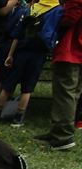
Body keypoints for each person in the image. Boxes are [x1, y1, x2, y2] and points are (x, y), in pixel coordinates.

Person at [0, 1, 59, 127]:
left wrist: (10, 54)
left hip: (21, 52)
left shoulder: (31, 8)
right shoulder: (56, 10)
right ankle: (18, 118)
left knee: (8, 84)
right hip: (38, 54)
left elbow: (17, 34)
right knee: (27, 88)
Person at [34, 0, 82, 150]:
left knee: (65, 92)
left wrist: (57, 21)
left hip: (72, 48)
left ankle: (62, 136)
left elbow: (72, 14)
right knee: (74, 92)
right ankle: (58, 130)